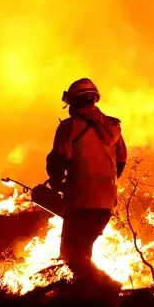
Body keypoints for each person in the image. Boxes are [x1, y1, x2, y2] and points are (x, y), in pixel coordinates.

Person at [45, 77, 127, 288]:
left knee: (71, 255)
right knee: (83, 252)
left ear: (73, 102)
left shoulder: (69, 127)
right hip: (106, 203)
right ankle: (88, 296)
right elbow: (121, 161)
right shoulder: (113, 127)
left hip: (81, 201)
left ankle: (107, 289)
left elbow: (58, 159)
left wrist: (57, 182)